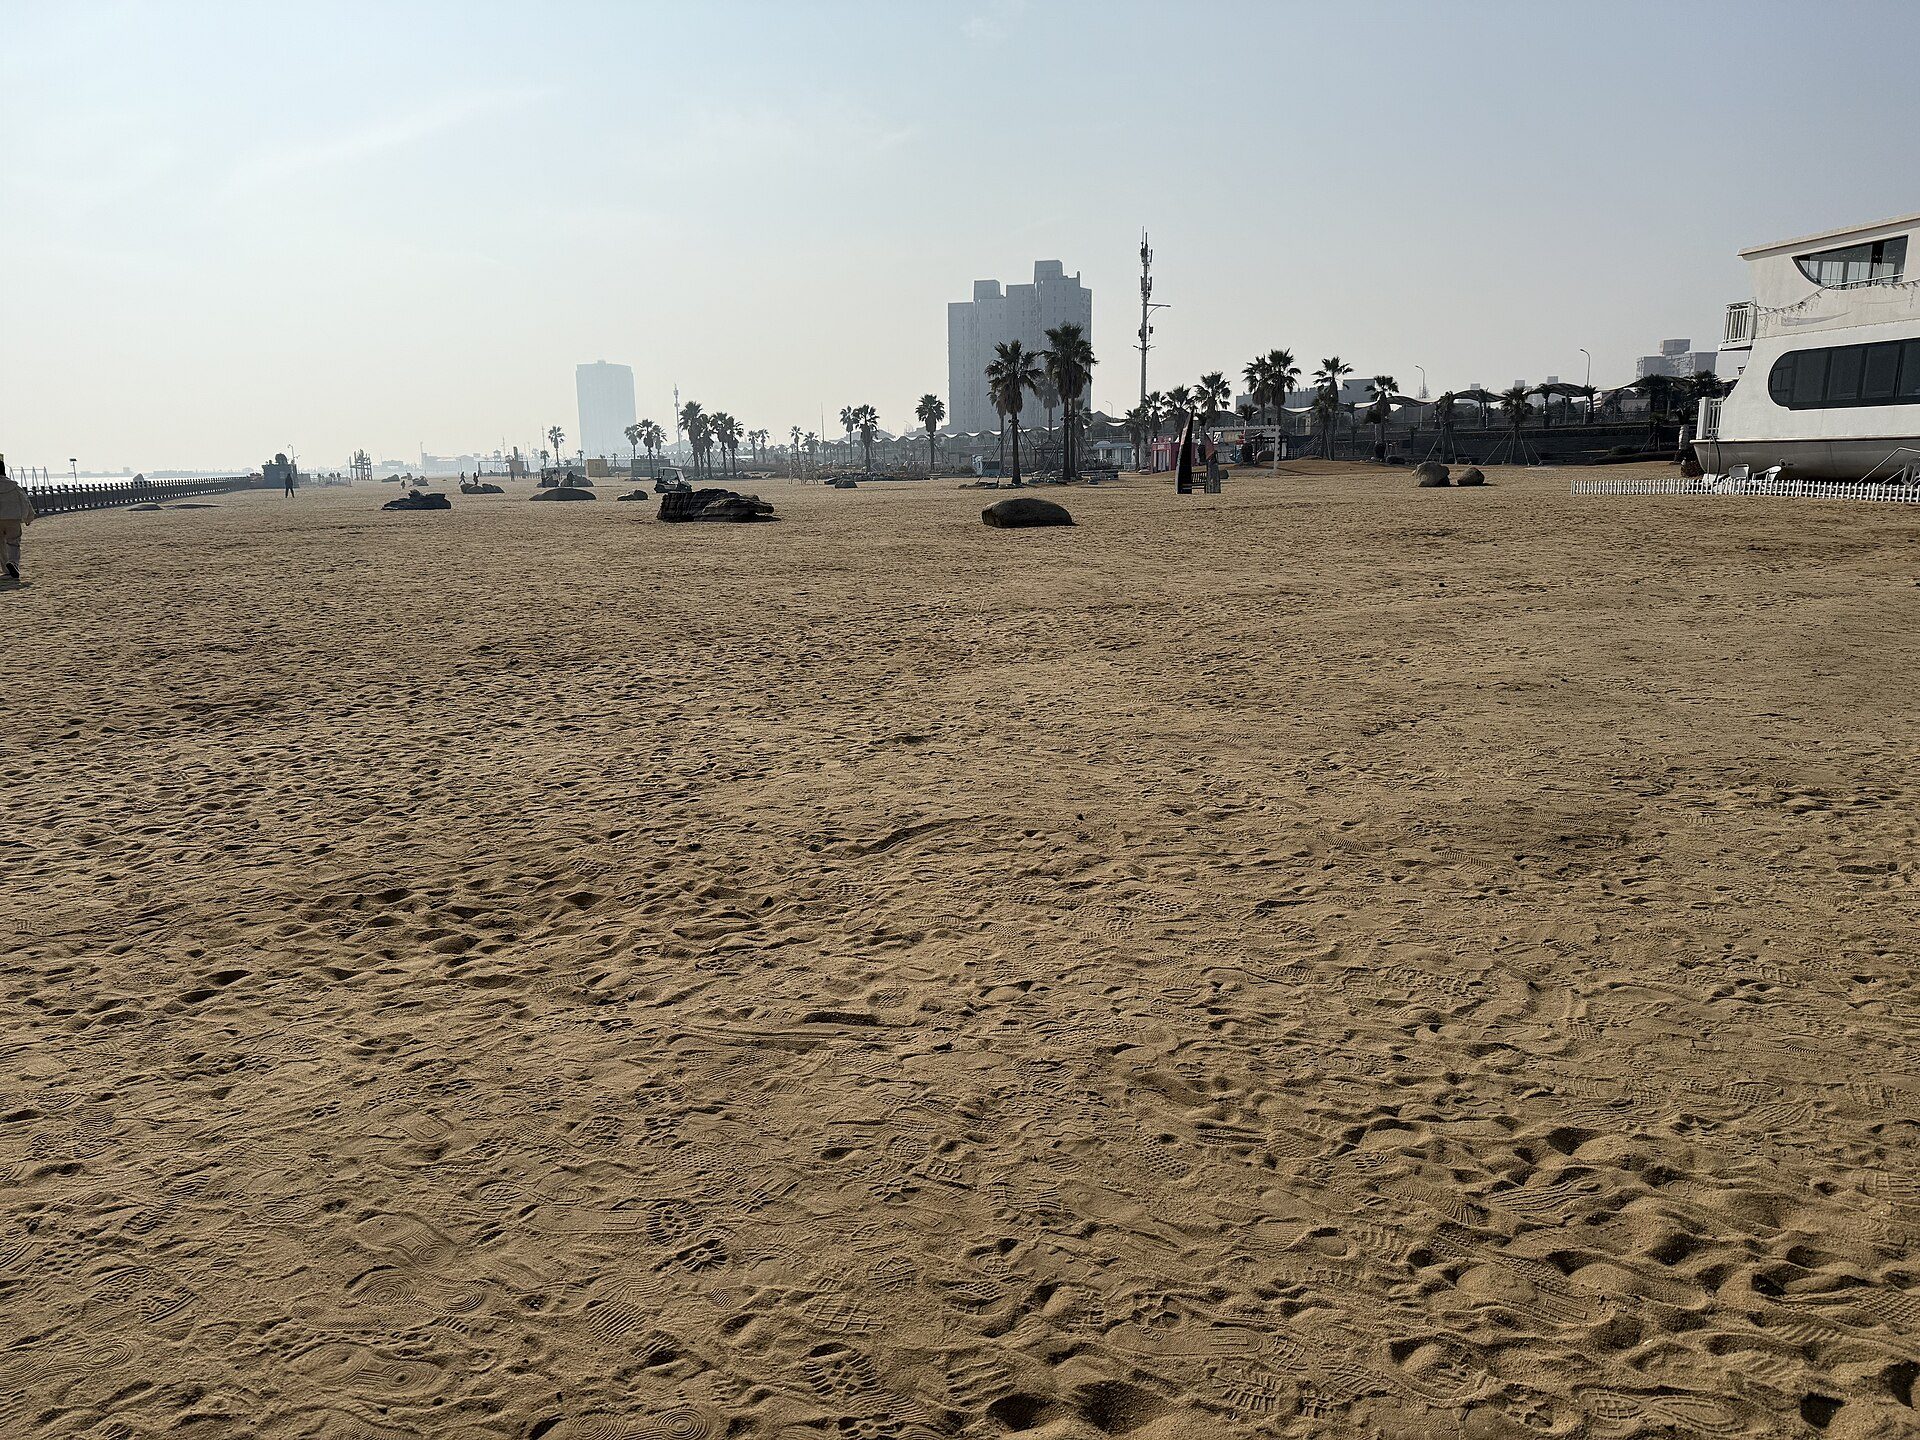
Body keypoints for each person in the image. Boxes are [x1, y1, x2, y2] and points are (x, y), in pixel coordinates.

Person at [0, 456, 35, 586]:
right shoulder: (14, 486)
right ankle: (13, 563)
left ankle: (6, 570)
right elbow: (24, 501)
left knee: (1, 545)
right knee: (13, 543)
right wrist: (28, 517)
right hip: (13, 518)